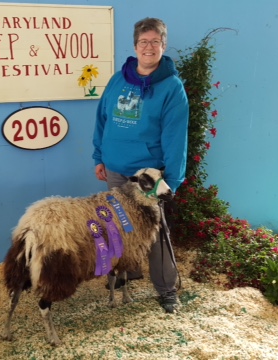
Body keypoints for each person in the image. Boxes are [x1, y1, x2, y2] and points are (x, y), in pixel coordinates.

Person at [92, 17, 189, 313]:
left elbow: (175, 136)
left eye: (155, 42)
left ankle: (166, 288)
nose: (149, 47)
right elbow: (102, 119)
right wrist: (99, 157)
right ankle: (127, 271)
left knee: (155, 232)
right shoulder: (118, 79)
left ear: (163, 45)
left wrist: (172, 178)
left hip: (147, 176)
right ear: (135, 46)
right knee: (118, 226)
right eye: (144, 42)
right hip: (115, 169)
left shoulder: (171, 88)